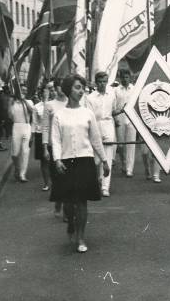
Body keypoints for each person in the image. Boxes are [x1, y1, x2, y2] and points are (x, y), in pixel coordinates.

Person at [50, 74, 109, 253]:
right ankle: (71, 224)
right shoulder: (59, 115)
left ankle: (81, 237)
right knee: (68, 202)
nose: (81, 90)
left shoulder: (87, 113)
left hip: (85, 160)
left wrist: (104, 161)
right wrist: (57, 159)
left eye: (82, 87)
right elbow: (56, 139)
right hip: (66, 162)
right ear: (68, 90)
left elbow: (96, 139)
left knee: (82, 202)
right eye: (77, 87)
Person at [86, 71, 123, 197]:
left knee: (107, 155)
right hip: (95, 125)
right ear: (96, 83)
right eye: (100, 82)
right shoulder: (90, 97)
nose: (102, 84)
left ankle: (105, 187)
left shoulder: (111, 95)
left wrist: (122, 110)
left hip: (108, 125)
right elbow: (89, 117)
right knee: (96, 158)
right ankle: (98, 180)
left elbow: (113, 111)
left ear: (107, 82)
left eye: (104, 82)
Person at [42, 78, 68, 218]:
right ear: (56, 88)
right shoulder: (49, 105)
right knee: (57, 178)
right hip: (54, 146)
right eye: (59, 86)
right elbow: (45, 127)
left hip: (68, 145)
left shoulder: (71, 103)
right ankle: (59, 202)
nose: (62, 89)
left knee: (68, 177)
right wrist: (45, 148)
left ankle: (66, 210)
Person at [8, 84, 34, 183]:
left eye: (25, 90)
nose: (23, 92)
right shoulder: (13, 103)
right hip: (16, 126)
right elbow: (9, 116)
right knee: (15, 153)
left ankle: (22, 174)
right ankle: (17, 168)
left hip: (26, 126)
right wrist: (10, 104)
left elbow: (32, 111)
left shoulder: (29, 102)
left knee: (25, 152)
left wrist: (24, 101)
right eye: (22, 90)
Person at [114, 68, 136, 177]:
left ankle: (129, 169)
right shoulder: (116, 90)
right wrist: (115, 119)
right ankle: (123, 162)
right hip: (120, 117)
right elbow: (113, 106)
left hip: (132, 119)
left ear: (130, 78)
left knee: (131, 144)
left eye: (127, 77)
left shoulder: (135, 89)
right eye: (123, 77)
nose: (125, 79)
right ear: (120, 78)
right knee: (121, 145)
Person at [32, 85, 51, 191]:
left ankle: (54, 181)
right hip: (40, 134)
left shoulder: (53, 105)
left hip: (51, 134)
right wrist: (32, 136)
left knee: (53, 159)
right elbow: (34, 123)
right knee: (44, 161)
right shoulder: (36, 107)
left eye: (47, 92)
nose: (46, 94)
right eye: (44, 92)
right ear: (40, 94)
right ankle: (46, 183)